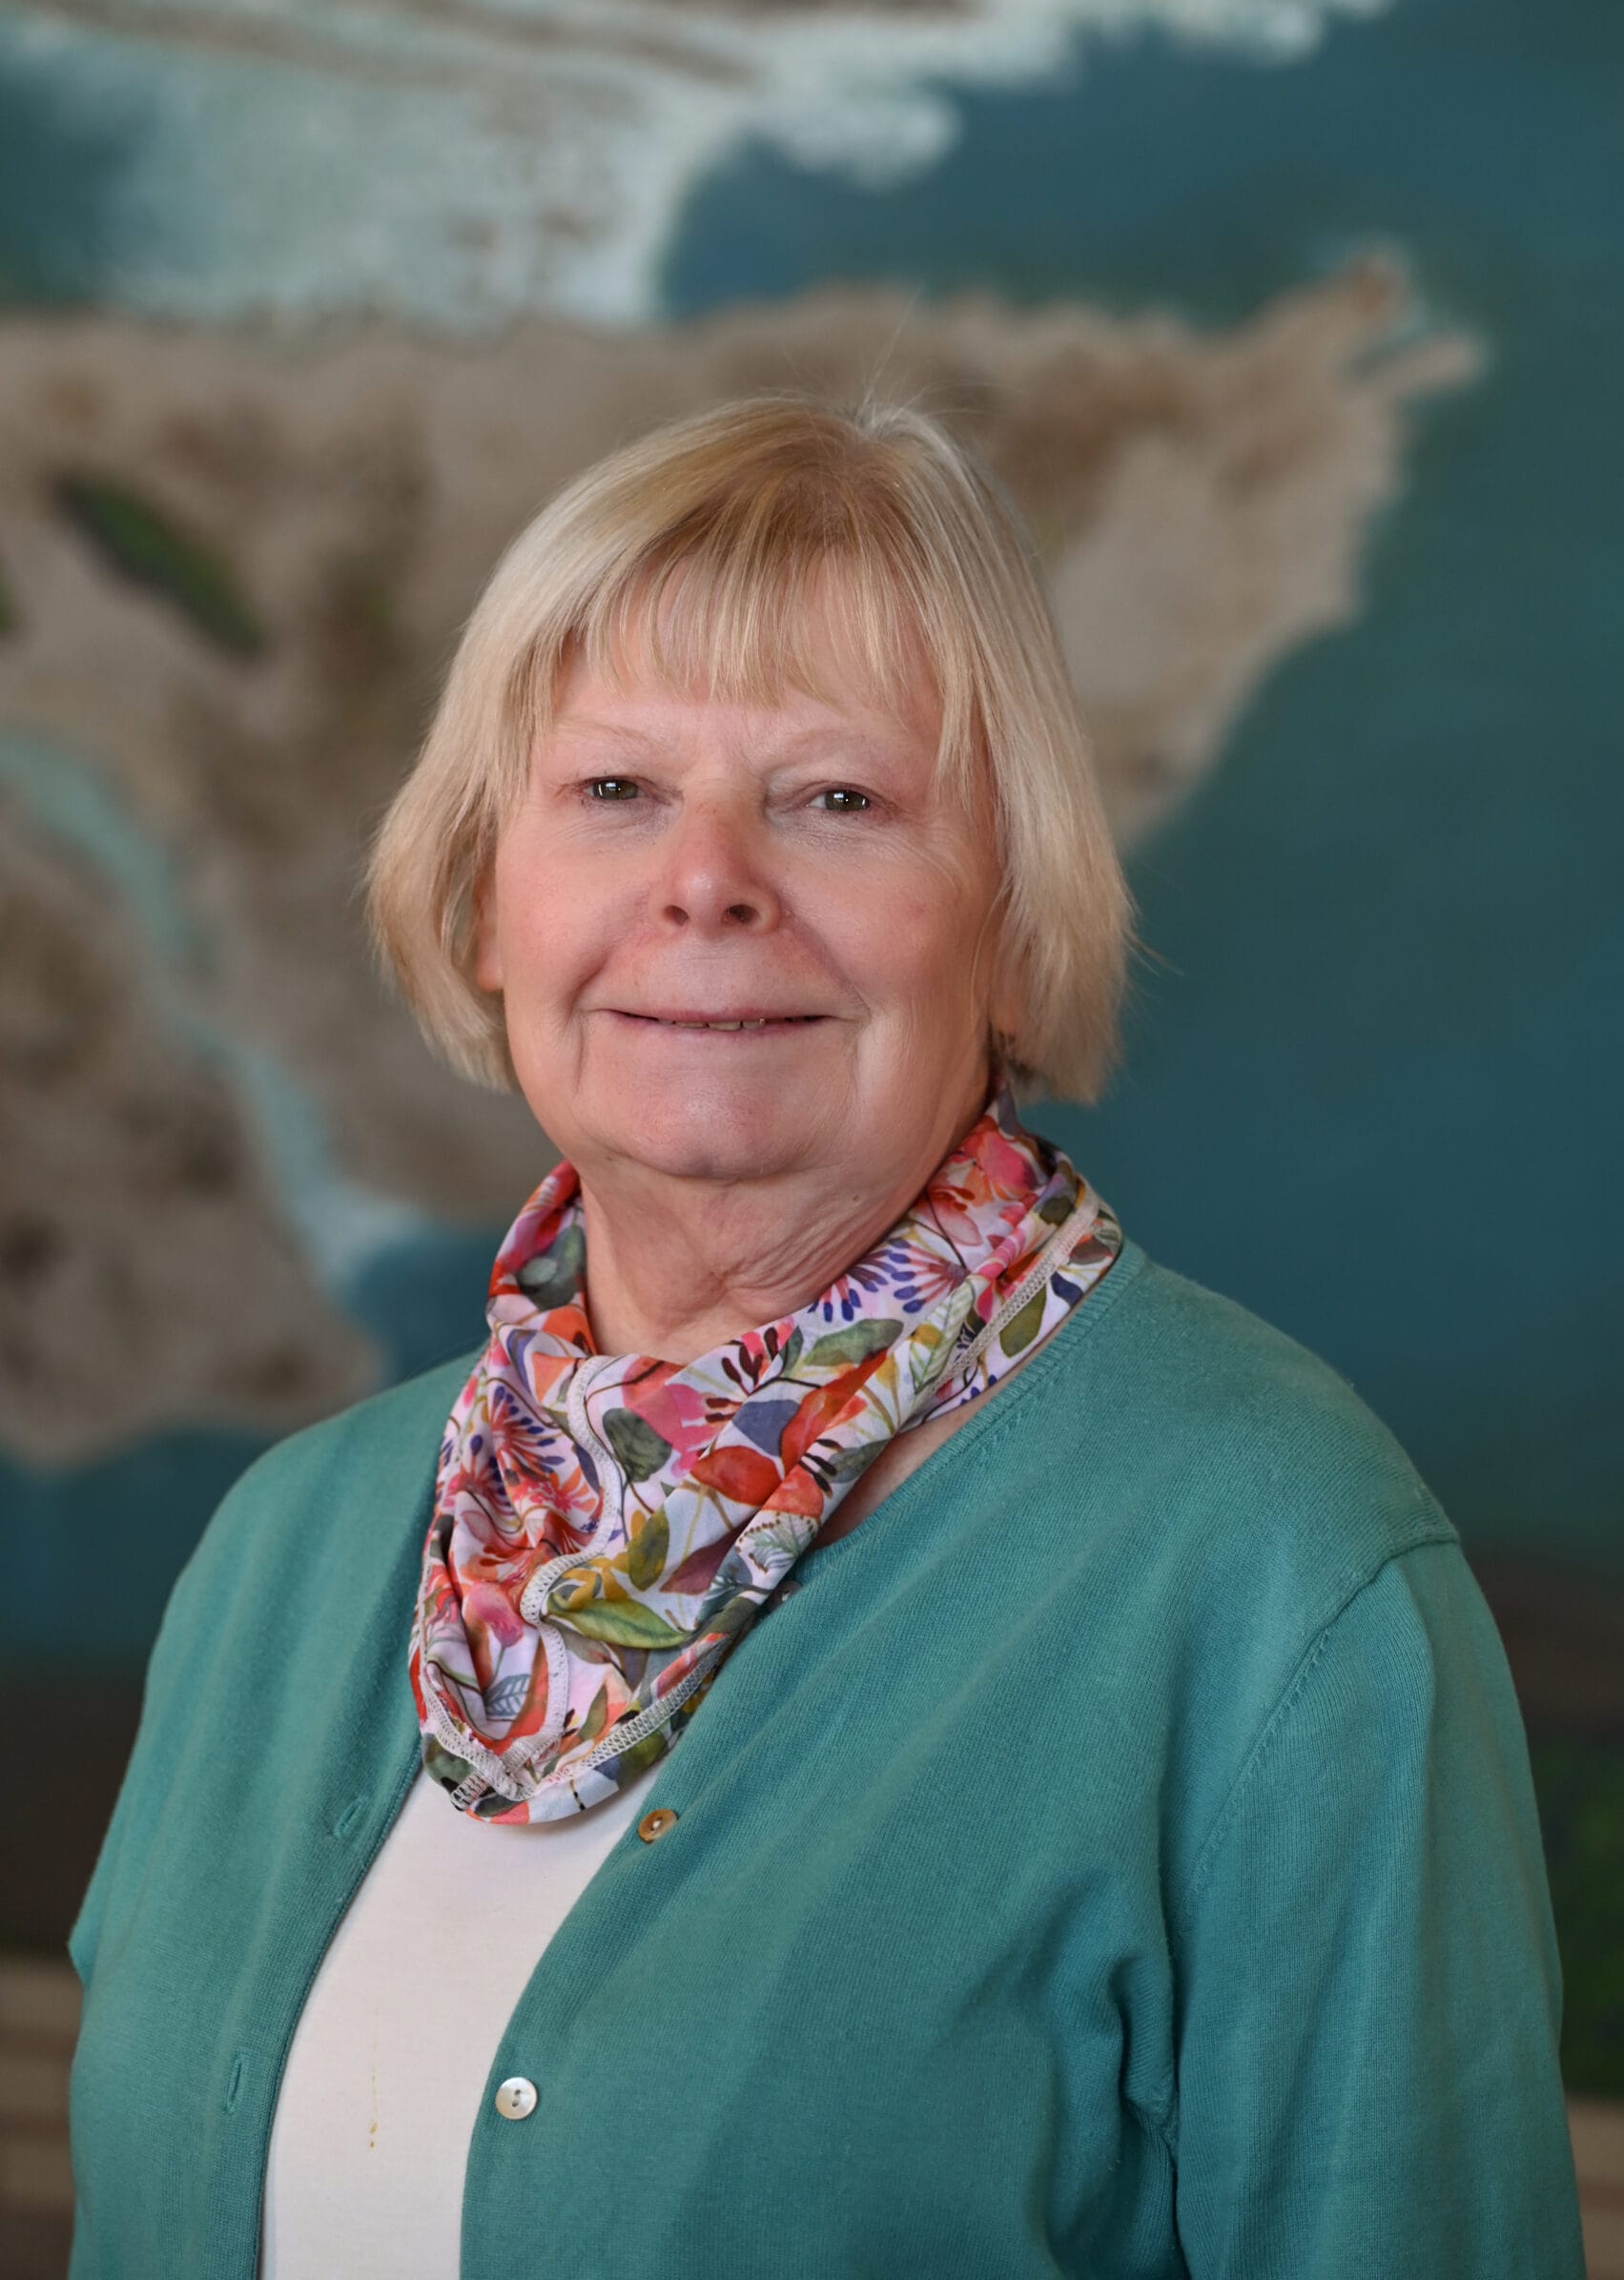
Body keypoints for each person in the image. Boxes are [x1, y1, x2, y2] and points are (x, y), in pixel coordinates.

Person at [66, 393, 1584, 2279]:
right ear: (484, 905)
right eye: (614, 790)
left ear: (1014, 928)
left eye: (835, 798)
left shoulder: (1275, 1569)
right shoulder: (289, 1550)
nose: (706, 877)